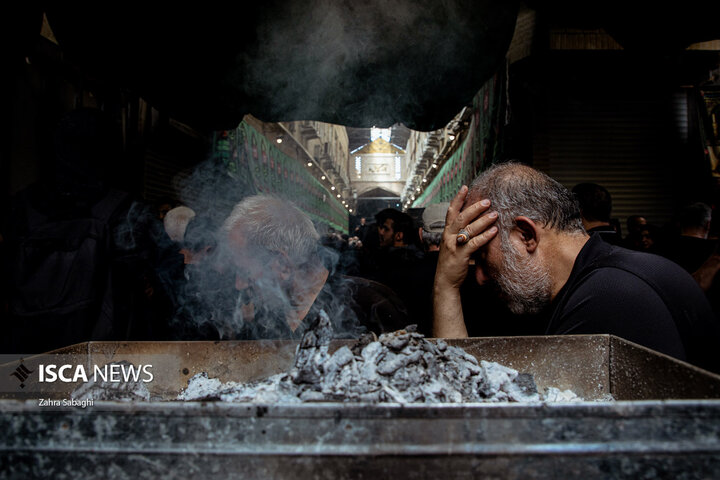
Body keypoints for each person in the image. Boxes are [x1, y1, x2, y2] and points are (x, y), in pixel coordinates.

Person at [433, 162, 720, 373]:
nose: (480, 278)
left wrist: (445, 285)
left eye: (482, 257)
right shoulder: (617, 273)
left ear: (526, 235)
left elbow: (467, 409)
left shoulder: (606, 299)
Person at [196, 194, 410, 340]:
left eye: (244, 273)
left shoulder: (372, 306)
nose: (239, 285)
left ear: (281, 265)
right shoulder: (265, 319)